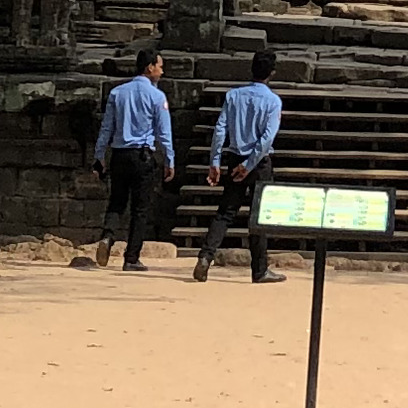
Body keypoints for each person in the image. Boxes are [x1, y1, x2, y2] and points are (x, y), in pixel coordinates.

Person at [193, 45, 287, 283]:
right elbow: (267, 139)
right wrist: (250, 163)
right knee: (259, 216)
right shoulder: (273, 101)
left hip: (234, 157)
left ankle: (206, 256)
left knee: (225, 212)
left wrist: (214, 160)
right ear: (272, 73)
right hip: (259, 163)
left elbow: (220, 129)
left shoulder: (233, 96)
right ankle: (259, 269)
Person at [77, 48, 176, 272]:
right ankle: (131, 257)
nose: (162, 71)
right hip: (142, 156)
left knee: (117, 201)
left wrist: (99, 156)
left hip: (119, 155)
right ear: (149, 67)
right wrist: (169, 159)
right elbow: (164, 132)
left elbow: (106, 128)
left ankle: (108, 235)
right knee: (140, 209)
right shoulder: (157, 96)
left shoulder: (117, 93)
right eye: (160, 66)